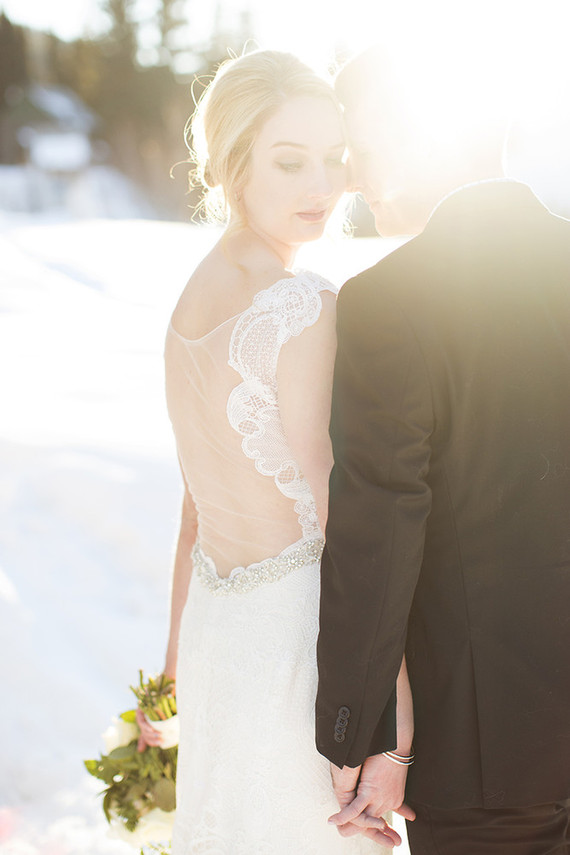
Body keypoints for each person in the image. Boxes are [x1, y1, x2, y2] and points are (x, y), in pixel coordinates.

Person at [139, 49, 408, 853]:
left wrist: (173, 669)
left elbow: (195, 509)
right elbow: (341, 517)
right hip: (297, 646)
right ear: (230, 164)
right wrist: (396, 720)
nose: (319, 187)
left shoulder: (189, 301)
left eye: (333, 159)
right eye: (289, 162)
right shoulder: (302, 303)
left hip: (221, 639)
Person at [316, 42, 570, 854]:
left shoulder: (389, 302)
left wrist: (358, 732)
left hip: (486, 748)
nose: (352, 177)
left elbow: (379, 529)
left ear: (404, 139)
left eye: (357, 148)